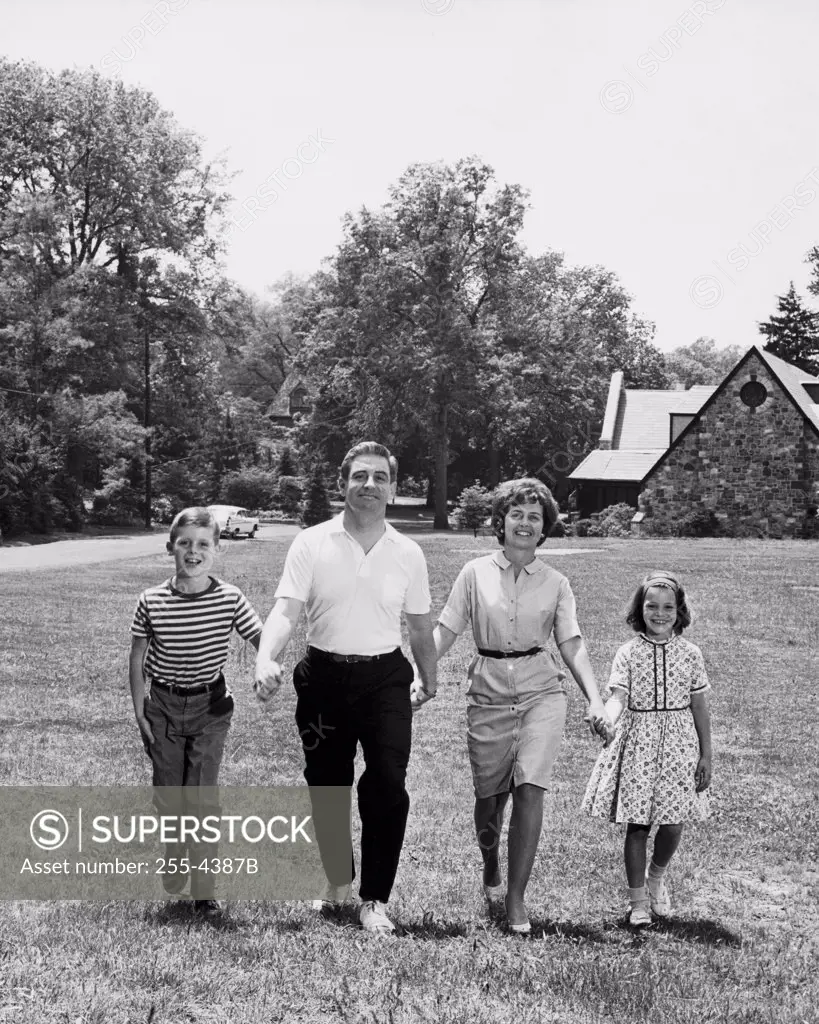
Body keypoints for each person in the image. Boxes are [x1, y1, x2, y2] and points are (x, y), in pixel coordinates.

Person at [254, 441, 437, 934]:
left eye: (380, 477)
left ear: (393, 488)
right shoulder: (311, 543)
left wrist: (430, 677)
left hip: (386, 682)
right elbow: (286, 610)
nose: (369, 485)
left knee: (387, 787)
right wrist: (266, 657)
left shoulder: (408, 552)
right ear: (343, 483)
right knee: (327, 785)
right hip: (323, 680)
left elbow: (420, 626)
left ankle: (375, 898)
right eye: (360, 476)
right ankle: (335, 878)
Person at [433, 478, 610, 934]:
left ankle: (516, 898)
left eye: (534, 516)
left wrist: (596, 699)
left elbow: (571, 642)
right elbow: (447, 630)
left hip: (541, 693)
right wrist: (418, 673)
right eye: (517, 514)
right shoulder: (473, 573)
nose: (525, 523)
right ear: (501, 521)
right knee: (488, 801)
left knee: (531, 786)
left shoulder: (556, 582)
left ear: (544, 526)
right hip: (488, 693)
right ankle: (489, 860)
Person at [129, 507, 263, 916]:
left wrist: (268, 664)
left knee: (201, 797)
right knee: (170, 796)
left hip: (210, 709)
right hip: (163, 709)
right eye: (184, 543)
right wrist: (141, 713)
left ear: (217, 549)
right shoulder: (151, 600)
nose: (193, 551)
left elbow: (262, 637)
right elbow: (137, 660)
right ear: (170, 547)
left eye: (203, 543)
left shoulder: (229, 597)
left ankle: (204, 890)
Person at [581, 571, 713, 927]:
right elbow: (617, 698)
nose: (660, 613)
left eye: (668, 607)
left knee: (673, 821)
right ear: (640, 609)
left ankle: (657, 876)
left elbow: (700, 707)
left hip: (679, 744)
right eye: (651, 606)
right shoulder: (628, 653)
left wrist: (706, 754)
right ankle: (637, 901)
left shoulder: (690, 654)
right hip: (639, 743)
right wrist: (605, 720)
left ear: (679, 610)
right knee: (638, 825)